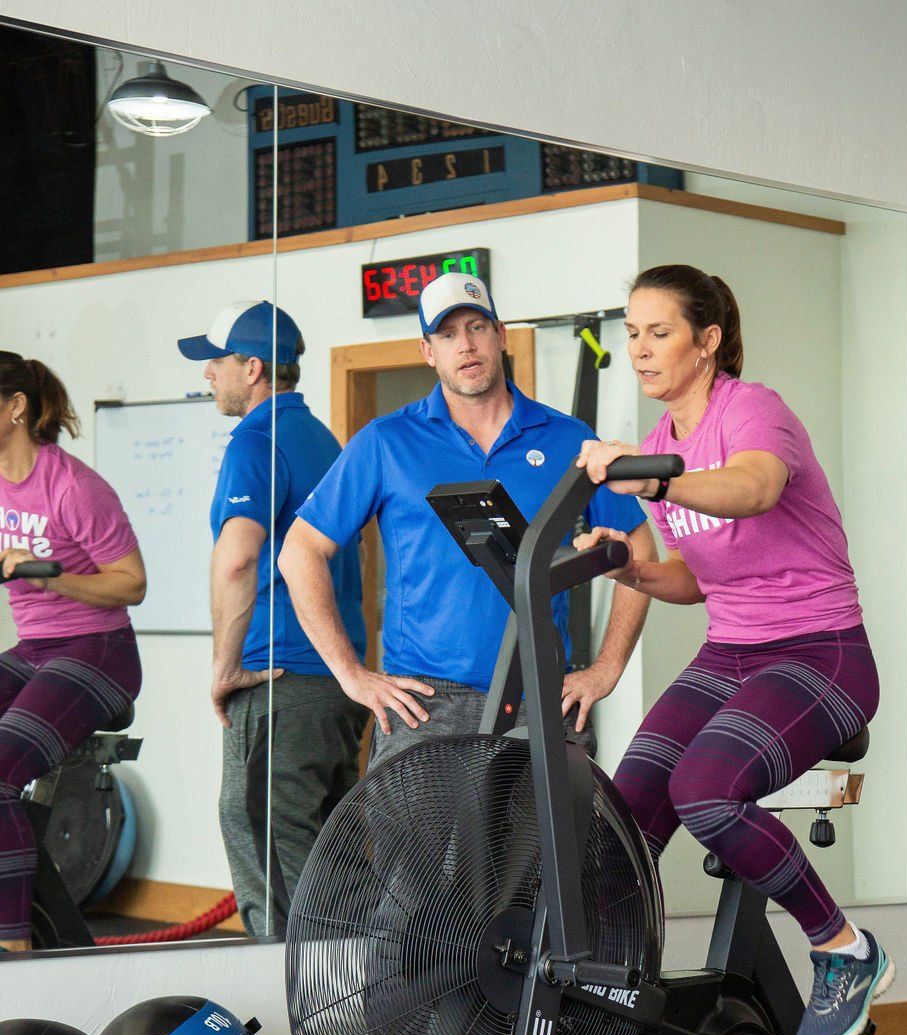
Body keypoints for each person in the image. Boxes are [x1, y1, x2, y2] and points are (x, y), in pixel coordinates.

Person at [575, 264, 889, 1035]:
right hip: (732, 650)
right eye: (632, 332)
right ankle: (603, 1008)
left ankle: (845, 947)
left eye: (660, 332)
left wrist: (653, 475)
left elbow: (751, 490)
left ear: (707, 341)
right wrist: (626, 566)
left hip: (823, 653)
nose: (641, 350)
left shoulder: (754, 411)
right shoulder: (655, 447)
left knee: (704, 791)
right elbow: (693, 575)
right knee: (625, 817)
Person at [279, 271, 657, 765]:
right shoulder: (385, 442)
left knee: (550, 846)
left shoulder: (569, 438)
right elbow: (300, 551)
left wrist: (607, 668)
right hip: (425, 706)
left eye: (477, 327)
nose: (466, 345)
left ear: (500, 336)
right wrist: (350, 674)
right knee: (420, 848)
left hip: (540, 696)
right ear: (428, 351)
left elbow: (640, 553)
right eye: (447, 334)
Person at [178, 301, 367, 936]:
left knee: (271, 859)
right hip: (336, 682)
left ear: (252, 367)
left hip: (276, 678)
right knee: (330, 864)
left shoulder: (257, 442)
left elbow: (237, 560)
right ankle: (358, 1017)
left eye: (216, 362)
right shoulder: (321, 438)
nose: (208, 375)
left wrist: (224, 665)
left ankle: (305, 1023)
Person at [0, 352, 145, 950]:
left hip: (99, 649)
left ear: (15, 407)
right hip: (35, 648)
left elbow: (132, 583)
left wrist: (48, 578)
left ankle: (12, 948)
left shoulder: (72, 485)